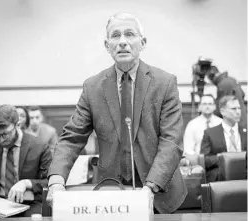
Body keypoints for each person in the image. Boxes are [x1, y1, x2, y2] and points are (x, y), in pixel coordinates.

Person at [46, 12, 187, 214]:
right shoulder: (93, 87)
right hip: (111, 194)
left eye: (129, 34)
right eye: (115, 36)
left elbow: (171, 141)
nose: (122, 42)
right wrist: (56, 181)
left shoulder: (165, 83)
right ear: (107, 45)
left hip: (160, 194)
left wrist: (150, 187)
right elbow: (71, 138)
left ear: (143, 42)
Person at [0, 105, 52, 217]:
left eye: (5, 134)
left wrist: (27, 183)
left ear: (18, 125)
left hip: (29, 204)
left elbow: (50, 181)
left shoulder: (39, 147)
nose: (1, 140)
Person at [200, 95, 247, 182]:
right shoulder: (210, 133)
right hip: (221, 176)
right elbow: (205, 160)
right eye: (233, 109)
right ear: (223, 111)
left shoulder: (246, 131)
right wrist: (225, 158)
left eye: (239, 108)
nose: (238, 112)